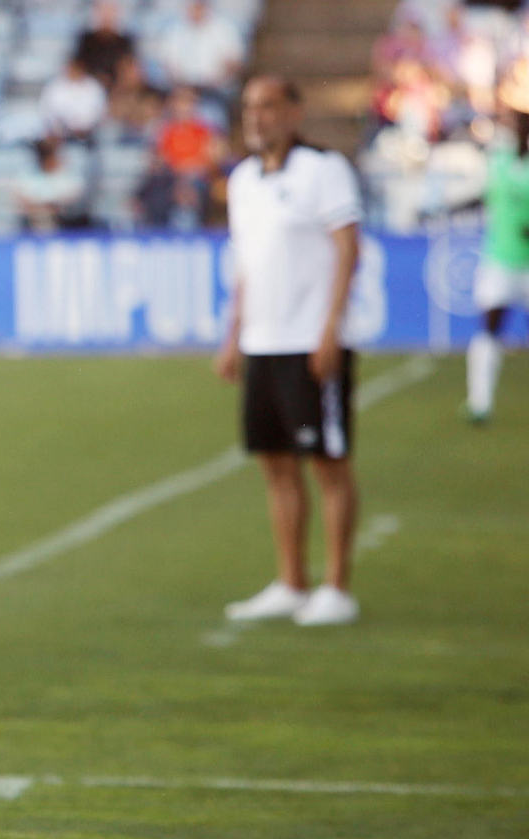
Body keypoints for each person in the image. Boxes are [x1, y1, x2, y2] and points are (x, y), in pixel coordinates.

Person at [215, 76, 364, 627]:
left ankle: (337, 586)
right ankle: (291, 580)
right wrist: (233, 337)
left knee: (328, 465)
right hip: (263, 342)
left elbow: (348, 249)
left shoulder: (323, 170)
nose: (257, 117)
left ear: (294, 113)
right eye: (250, 107)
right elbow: (245, 266)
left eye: (269, 106)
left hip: (309, 342)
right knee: (275, 465)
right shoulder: (244, 181)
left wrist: (331, 328)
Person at [463, 87, 529, 424]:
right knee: (489, 327)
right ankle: (480, 403)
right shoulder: (499, 161)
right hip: (500, 259)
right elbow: (486, 197)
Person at [155, 0, 244, 101]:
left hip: (215, 92)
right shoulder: (174, 30)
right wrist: (182, 84)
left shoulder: (225, 29)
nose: (196, 9)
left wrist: (218, 79)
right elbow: (166, 65)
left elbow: (235, 65)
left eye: (199, 5)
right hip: (181, 92)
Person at [16, 137, 88, 232]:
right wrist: (42, 207)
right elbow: (21, 198)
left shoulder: (68, 174)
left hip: (65, 221)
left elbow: (74, 197)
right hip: (33, 220)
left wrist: (53, 206)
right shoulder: (28, 173)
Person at [39, 57, 108, 141]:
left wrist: (84, 126)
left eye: (76, 68)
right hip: (61, 135)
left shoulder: (94, 87)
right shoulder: (54, 87)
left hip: (89, 135)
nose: (73, 71)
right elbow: (47, 112)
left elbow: (100, 112)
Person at [74, 0, 135, 88]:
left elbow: (128, 65)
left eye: (110, 13)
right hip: (89, 86)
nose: (107, 17)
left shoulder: (125, 41)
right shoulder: (86, 40)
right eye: (103, 13)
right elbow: (79, 64)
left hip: (117, 87)